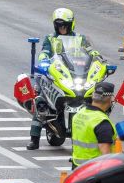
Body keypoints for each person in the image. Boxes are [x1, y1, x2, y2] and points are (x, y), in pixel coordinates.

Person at [27, 9, 98, 149]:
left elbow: (91, 51)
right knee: (41, 102)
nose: (62, 28)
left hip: (75, 74)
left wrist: (98, 59)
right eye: (59, 25)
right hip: (54, 74)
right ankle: (34, 138)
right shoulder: (50, 38)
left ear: (71, 24)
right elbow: (45, 52)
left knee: (94, 96)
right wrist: (44, 61)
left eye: (64, 25)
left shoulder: (80, 38)